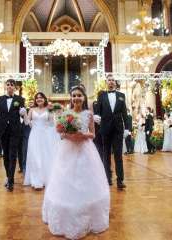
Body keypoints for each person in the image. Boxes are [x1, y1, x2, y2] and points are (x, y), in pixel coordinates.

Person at [42, 86, 109, 239]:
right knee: (65, 180)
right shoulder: (65, 114)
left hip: (86, 149)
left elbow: (92, 134)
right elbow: (60, 133)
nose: (76, 98)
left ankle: (89, 216)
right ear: (71, 98)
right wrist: (68, 135)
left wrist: (82, 135)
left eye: (79, 95)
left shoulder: (89, 114)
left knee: (86, 180)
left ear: (84, 98)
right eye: (74, 96)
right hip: (68, 150)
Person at [93, 75, 130, 189]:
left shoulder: (121, 96)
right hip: (105, 129)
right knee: (106, 154)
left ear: (115, 83)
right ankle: (107, 178)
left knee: (118, 155)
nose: (111, 82)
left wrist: (127, 128)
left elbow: (125, 113)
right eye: (109, 80)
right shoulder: (101, 95)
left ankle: (120, 180)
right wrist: (95, 116)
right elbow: (97, 110)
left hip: (118, 130)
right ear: (106, 82)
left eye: (113, 80)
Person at [0, 79, 27, 191]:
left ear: (15, 87)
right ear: (5, 86)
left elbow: (22, 115)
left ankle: (11, 181)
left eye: (12, 85)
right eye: (8, 84)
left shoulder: (20, 99)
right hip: (3, 131)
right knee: (6, 156)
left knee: (12, 155)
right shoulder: (0, 99)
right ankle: (8, 176)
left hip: (15, 131)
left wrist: (23, 114)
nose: (10, 86)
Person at [24, 92, 58, 189]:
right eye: (37, 98)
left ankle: (45, 179)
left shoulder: (48, 109)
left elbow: (52, 124)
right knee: (35, 157)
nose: (39, 99)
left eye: (41, 98)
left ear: (44, 99)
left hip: (45, 136)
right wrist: (24, 115)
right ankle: (36, 180)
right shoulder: (31, 110)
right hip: (34, 135)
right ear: (35, 100)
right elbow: (27, 123)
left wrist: (52, 112)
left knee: (44, 156)